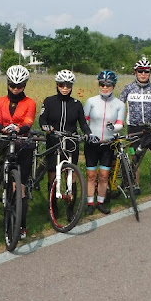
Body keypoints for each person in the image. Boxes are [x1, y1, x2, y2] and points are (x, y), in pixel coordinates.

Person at [38, 69, 92, 215]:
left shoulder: (76, 104)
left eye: (68, 85)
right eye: (62, 84)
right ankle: (53, 207)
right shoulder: (49, 101)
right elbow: (42, 119)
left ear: (72, 86)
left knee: (71, 174)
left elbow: (83, 123)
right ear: (57, 84)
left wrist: (88, 133)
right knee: (52, 174)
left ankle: (70, 210)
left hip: (71, 142)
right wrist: (46, 127)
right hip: (54, 141)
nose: (65, 88)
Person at [0, 65, 36, 238]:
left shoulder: (30, 103)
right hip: (5, 140)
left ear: (25, 85)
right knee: (1, 173)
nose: (15, 89)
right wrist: (4, 130)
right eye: (12, 85)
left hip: (23, 143)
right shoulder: (0, 101)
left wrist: (19, 130)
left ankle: (21, 226)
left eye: (19, 86)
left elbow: (28, 122)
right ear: (8, 83)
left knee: (20, 188)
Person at [119, 58, 151, 196]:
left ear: (150, 73)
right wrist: (118, 120)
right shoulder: (128, 88)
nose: (143, 74)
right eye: (140, 71)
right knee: (135, 158)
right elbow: (119, 105)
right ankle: (136, 185)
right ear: (135, 72)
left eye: (146, 71)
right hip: (134, 128)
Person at [83, 70, 125, 214]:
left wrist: (114, 128)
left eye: (108, 85)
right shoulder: (91, 101)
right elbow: (84, 121)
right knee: (91, 175)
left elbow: (120, 123)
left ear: (113, 86)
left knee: (104, 175)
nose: (105, 87)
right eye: (102, 84)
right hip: (92, 143)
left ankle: (100, 202)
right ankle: (90, 203)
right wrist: (88, 134)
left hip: (108, 143)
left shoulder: (119, 104)